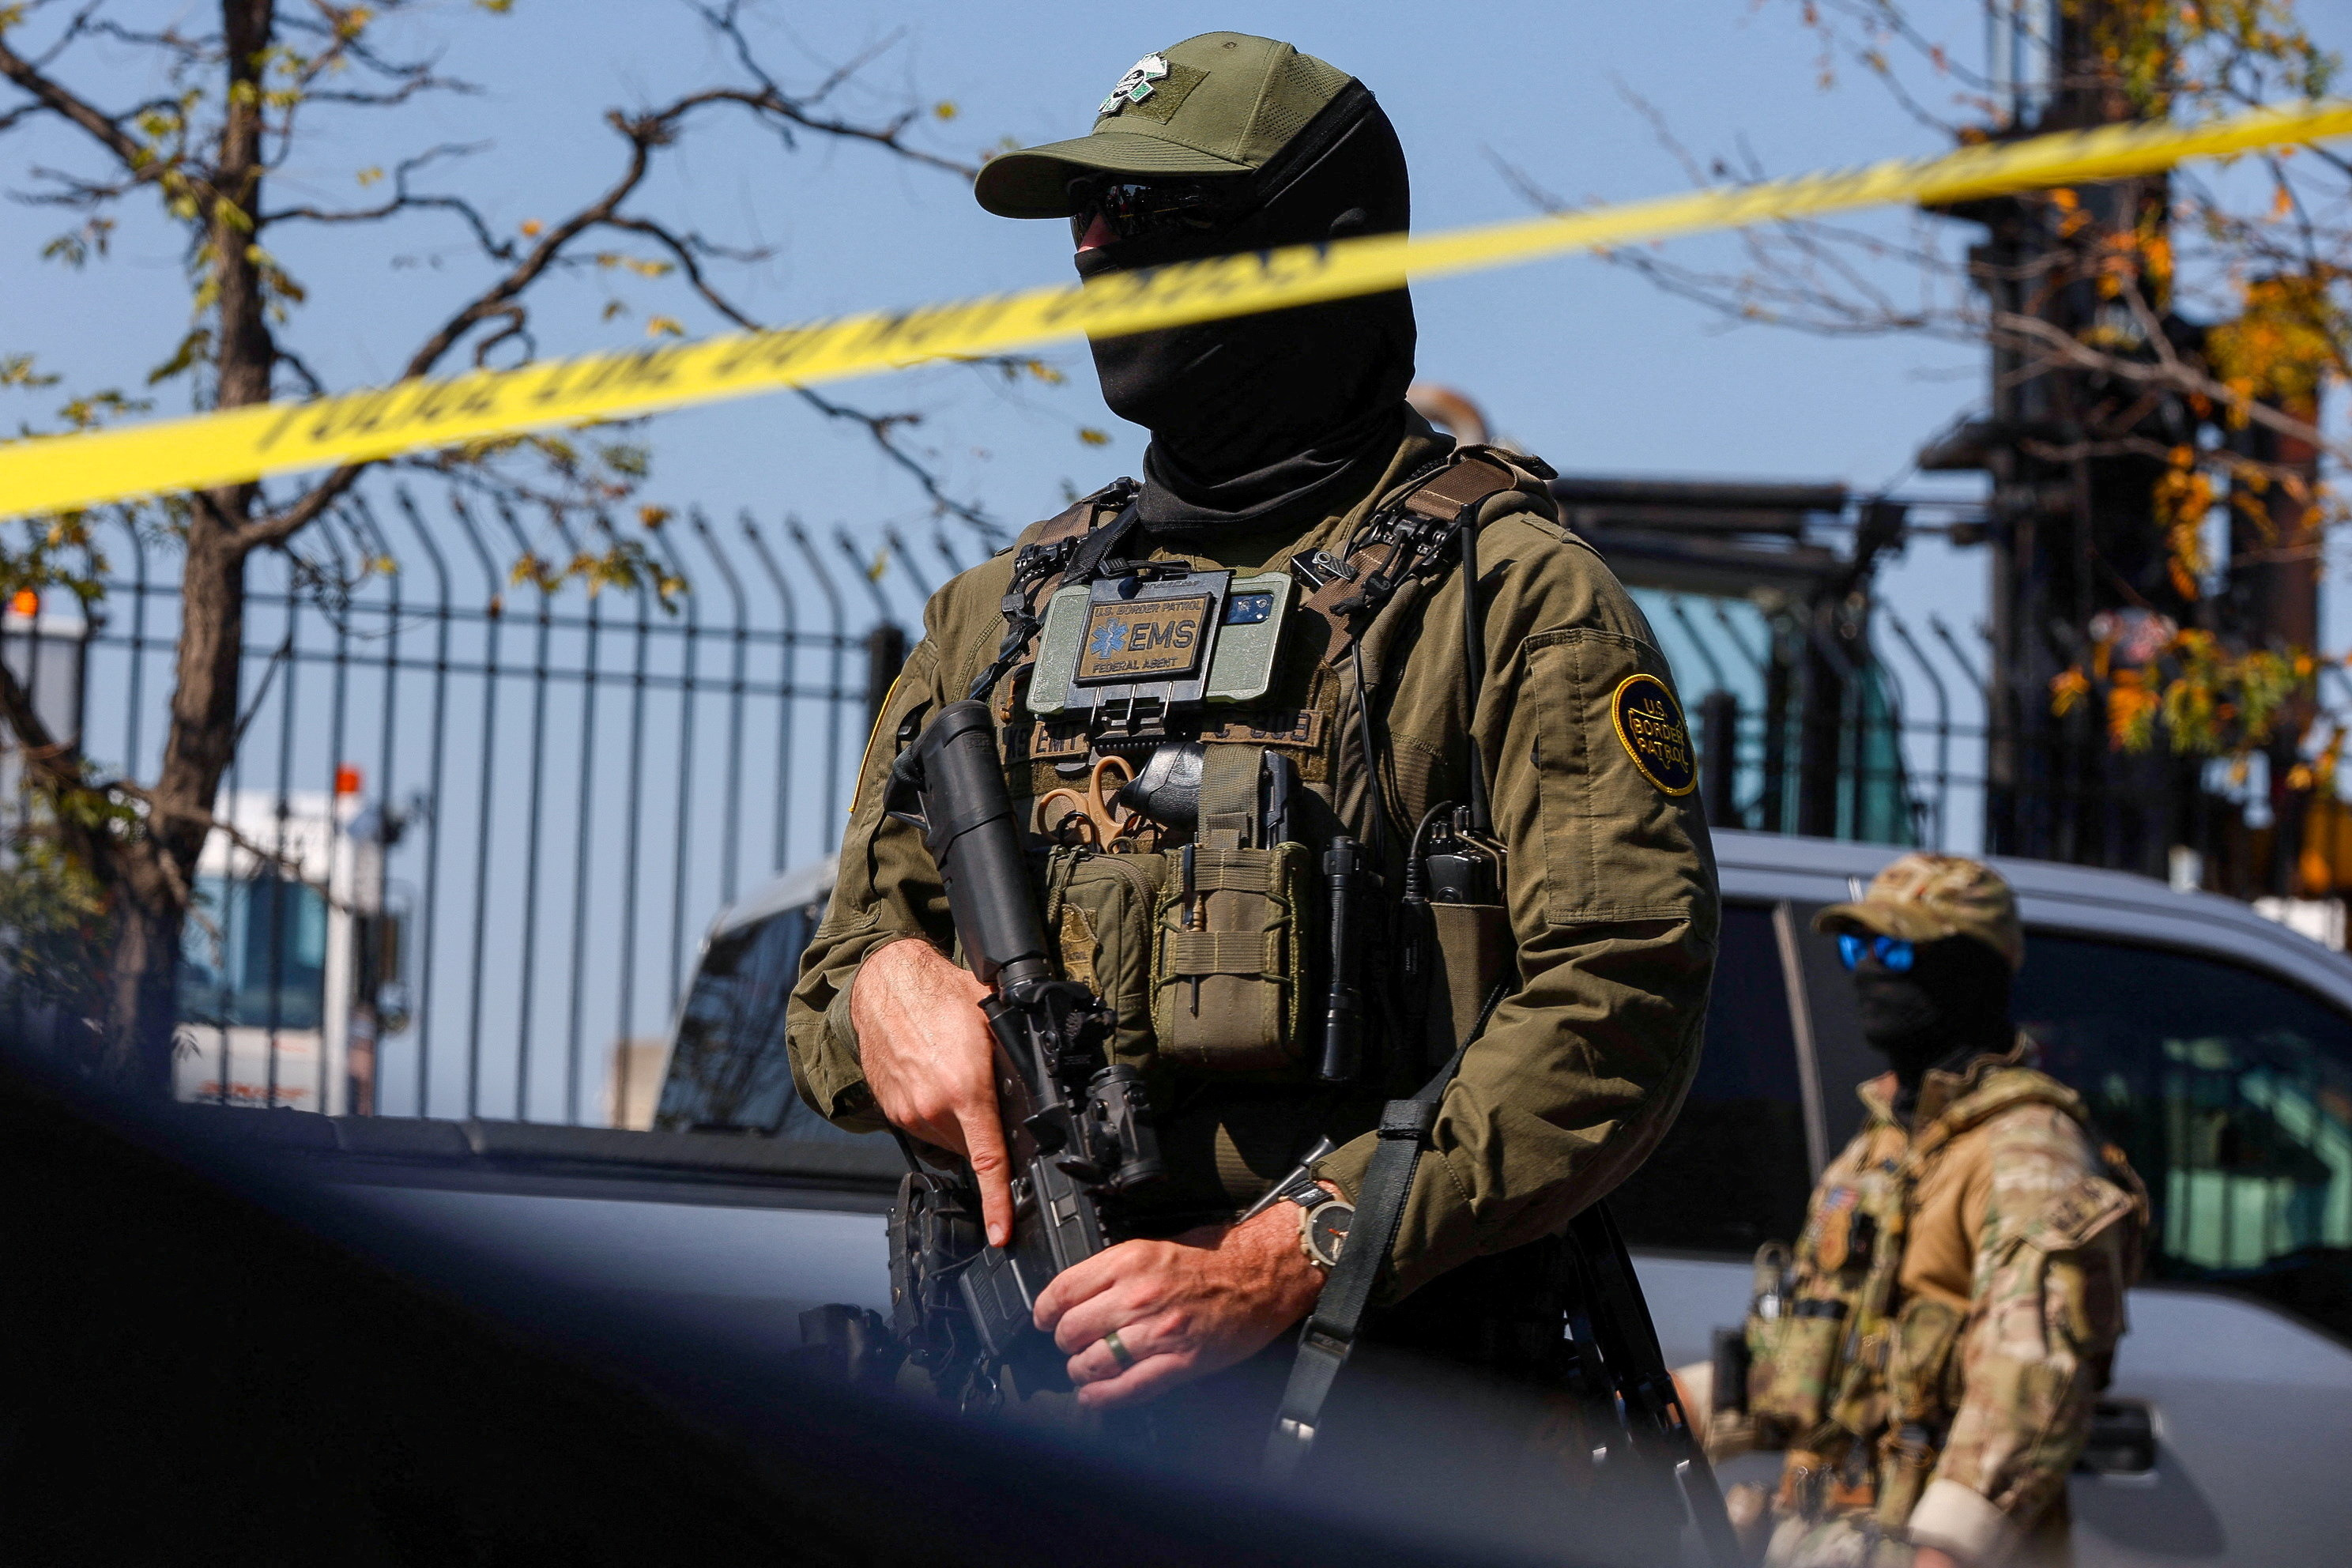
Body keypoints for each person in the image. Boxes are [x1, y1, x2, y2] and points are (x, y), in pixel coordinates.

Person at [784, 31, 1717, 1459]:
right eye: (1087, 218)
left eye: (1154, 216)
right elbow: (836, 977)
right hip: (1017, 1427)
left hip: (1378, 1435)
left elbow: (1613, 1009)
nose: (1098, 249)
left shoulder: (1510, 595)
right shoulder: (998, 618)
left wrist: (1282, 1254)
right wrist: (886, 994)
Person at [1685, 854, 2144, 1568]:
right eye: (1855, 947)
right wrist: (1674, 1406)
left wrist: (1947, 1551)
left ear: (1974, 969)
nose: (1869, 970)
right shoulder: (1878, 1151)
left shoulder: (2026, 1153)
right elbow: (1804, 1357)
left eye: (1896, 948)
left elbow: (2028, 1392)